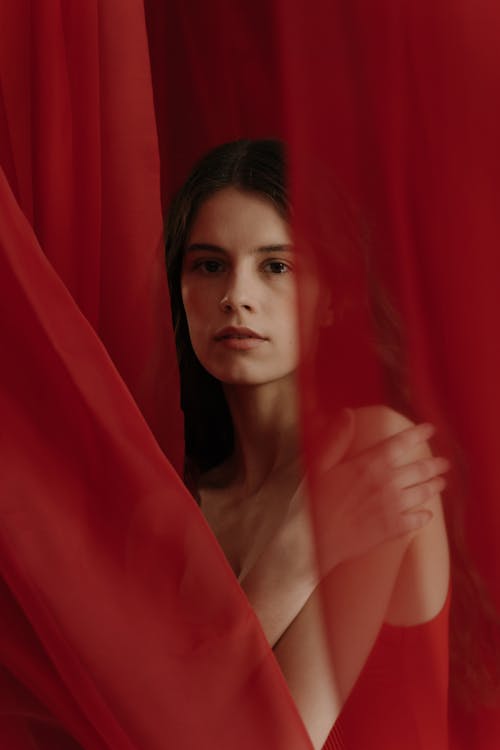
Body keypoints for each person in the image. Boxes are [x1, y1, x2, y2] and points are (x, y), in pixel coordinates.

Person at [165, 139, 451, 749]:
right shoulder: (170, 505)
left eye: (277, 265)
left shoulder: (377, 452)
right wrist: (297, 553)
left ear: (334, 298)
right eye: (209, 264)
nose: (235, 295)